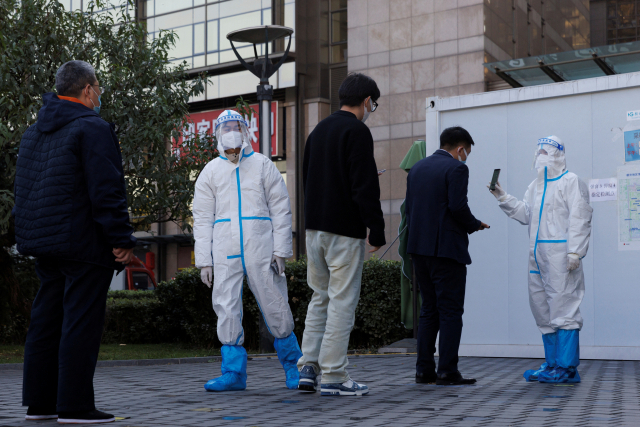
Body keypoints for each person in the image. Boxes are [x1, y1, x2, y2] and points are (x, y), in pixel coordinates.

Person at [13, 60, 136, 424]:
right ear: (87, 90)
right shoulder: (92, 127)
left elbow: (25, 189)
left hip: (45, 242)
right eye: (98, 87)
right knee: (80, 323)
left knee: (46, 323)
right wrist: (120, 238)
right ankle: (75, 406)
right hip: (84, 243)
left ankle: (41, 404)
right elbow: (106, 188)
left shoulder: (34, 132)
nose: (99, 94)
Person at [193, 110, 302, 392]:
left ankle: (294, 366)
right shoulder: (210, 172)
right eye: (225, 127)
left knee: (274, 302)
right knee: (226, 307)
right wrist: (204, 260)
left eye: (235, 126)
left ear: (244, 130)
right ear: (217, 134)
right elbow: (203, 218)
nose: (231, 130)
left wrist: (281, 250)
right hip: (225, 249)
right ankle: (233, 373)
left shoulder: (263, 165)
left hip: (261, 248)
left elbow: (280, 209)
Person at [297, 73, 385, 396]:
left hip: (314, 229)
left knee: (319, 297)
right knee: (342, 301)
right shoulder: (358, 132)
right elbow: (365, 186)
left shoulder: (317, 131)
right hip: (343, 231)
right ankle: (334, 375)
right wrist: (376, 229)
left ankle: (308, 367)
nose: (371, 109)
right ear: (366, 101)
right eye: (372, 104)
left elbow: (308, 180)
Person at [489, 136, 592, 384]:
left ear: (559, 154)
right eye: (538, 151)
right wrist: (502, 196)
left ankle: (567, 368)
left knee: (564, 308)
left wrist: (575, 252)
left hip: (561, 257)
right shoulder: (535, 185)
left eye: (546, 151)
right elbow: (526, 214)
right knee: (542, 310)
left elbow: (581, 217)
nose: (541, 156)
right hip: (536, 256)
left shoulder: (571, 182)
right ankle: (553, 364)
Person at [405, 127, 489, 386]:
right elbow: (457, 206)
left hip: (419, 249)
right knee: (451, 310)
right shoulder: (457, 169)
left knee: (429, 309)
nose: (466, 158)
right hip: (446, 250)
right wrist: (475, 224)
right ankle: (447, 371)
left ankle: (424, 370)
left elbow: (410, 208)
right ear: (460, 149)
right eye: (467, 153)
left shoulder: (417, 169)